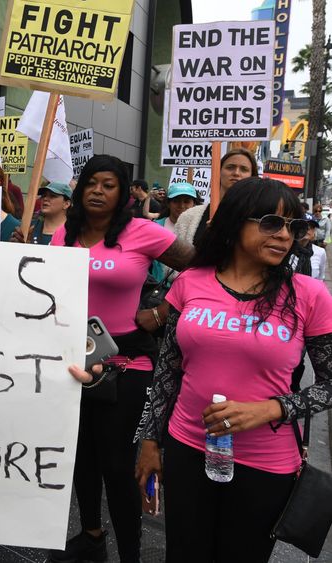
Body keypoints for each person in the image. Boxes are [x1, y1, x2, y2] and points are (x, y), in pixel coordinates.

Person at [136, 178, 332, 563]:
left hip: (264, 464)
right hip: (187, 449)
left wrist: (271, 408)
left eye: (293, 227)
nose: (285, 236)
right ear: (234, 223)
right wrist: (149, 442)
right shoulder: (191, 283)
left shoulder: (309, 295)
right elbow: (167, 373)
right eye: (272, 222)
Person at [47, 155, 194, 563]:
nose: (97, 191)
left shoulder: (142, 232)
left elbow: (200, 269)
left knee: (116, 464)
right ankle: (92, 537)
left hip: (127, 362)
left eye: (108, 184)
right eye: (91, 183)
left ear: (123, 192)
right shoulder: (64, 234)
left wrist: (163, 310)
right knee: (82, 458)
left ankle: (130, 554)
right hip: (72, 360)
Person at [175, 148, 258, 246]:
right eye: (230, 167)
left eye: (244, 169)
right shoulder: (189, 217)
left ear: (252, 176)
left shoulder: (259, 218)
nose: (236, 173)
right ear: (218, 172)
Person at [148, 182, 199, 285]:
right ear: (168, 203)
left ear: (194, 204)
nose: (182, 206)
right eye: (176, 201)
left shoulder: (200, 229)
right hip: (157, 292)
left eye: (187, 201)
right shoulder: (154, 228)